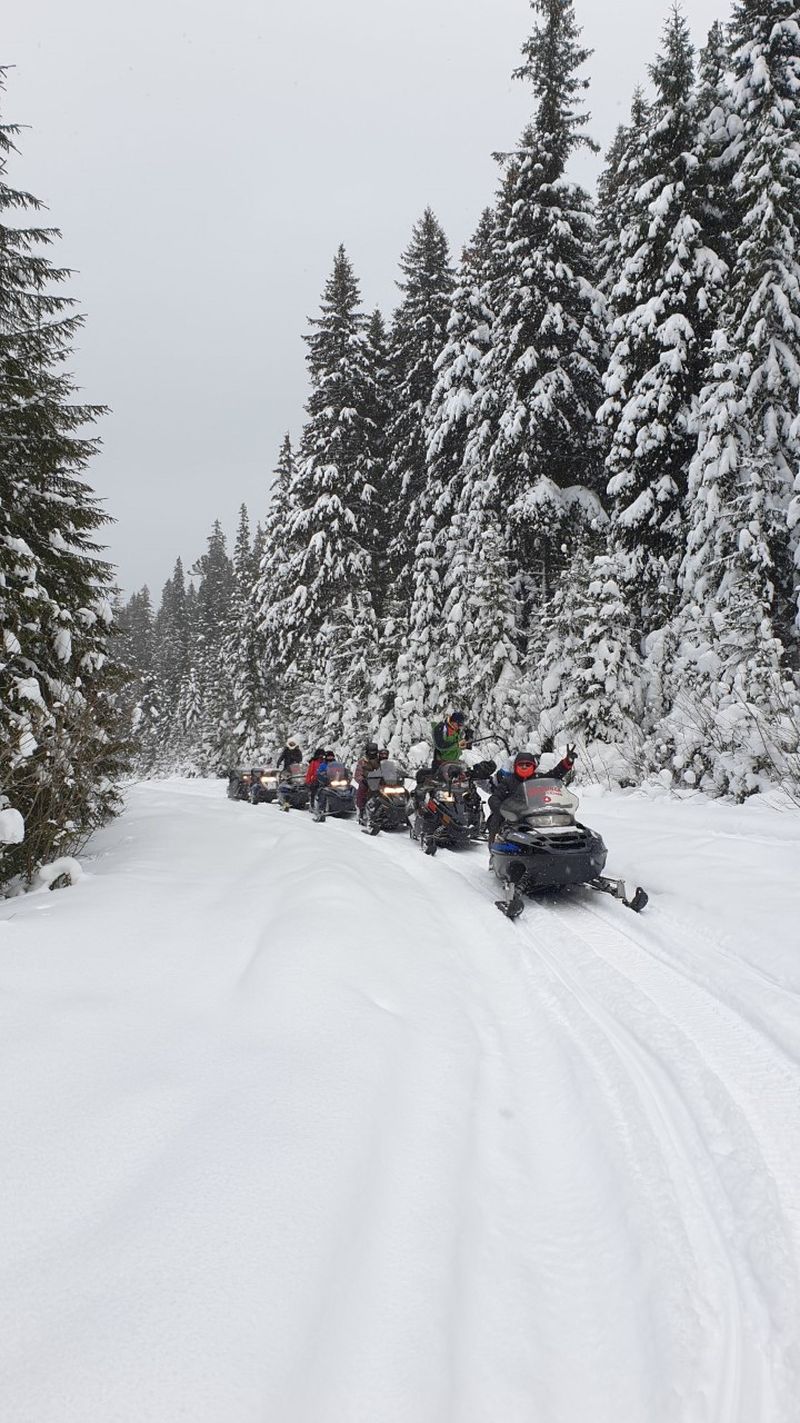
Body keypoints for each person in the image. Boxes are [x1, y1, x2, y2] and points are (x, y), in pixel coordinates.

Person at [486, 746, 577, 847]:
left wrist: (566, 763)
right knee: (497, 820)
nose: (524, 767)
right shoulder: (508, 781)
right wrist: (502, 810)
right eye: (521, 764)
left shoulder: (539, 779)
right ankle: (494, 846)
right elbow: (494, 798)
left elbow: (554, 775)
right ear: (515, 766)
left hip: (535, 815)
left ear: (533, 766)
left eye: (528, 764)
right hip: (513, 816)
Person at [353, 742, 385, 821]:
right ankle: (361, 810)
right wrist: (362, 779)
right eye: (371, 751)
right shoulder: (363, 761)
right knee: (362, 789)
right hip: (368, 782)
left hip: (380, 781)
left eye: (374, 751)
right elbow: (358, 773)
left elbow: (387, 767)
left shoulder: (380, 760)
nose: (373, 753)